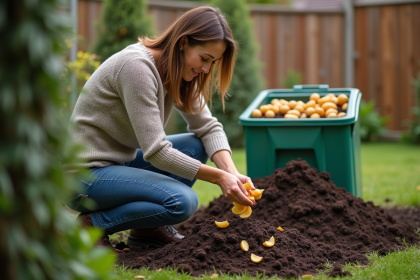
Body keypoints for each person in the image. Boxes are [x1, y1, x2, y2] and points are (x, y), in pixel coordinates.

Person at [66, 6, 255, 254]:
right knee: (182, 202)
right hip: (82, 177)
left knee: (194, 146)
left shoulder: (176, 71)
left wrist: (232, 174)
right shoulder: (137, 68)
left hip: (116, 165)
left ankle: (147, 230)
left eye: (213, 63)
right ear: (183, 42)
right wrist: (219, 177)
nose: (207, 69)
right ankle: (91, 225)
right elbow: (157, 151)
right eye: (205, 59)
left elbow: (208, 128)